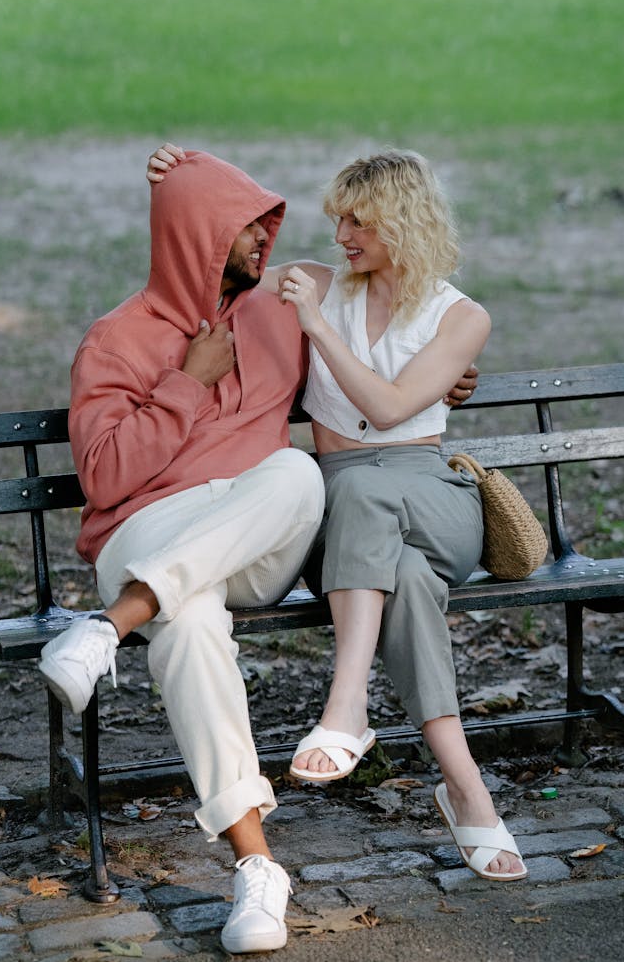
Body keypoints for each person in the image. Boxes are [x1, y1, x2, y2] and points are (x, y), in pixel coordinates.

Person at [38, 146, 484, 955]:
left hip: (253, 536)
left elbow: (379, 337)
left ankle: (107, 627)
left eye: (265, 228)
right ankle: (258, 870)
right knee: (191, 625)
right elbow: (103, 480)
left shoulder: (281, 311)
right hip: (150, 533)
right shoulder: (115, 339)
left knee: (295, 473)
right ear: (199, 238)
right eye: (246, 229)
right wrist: (189, 380)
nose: (263, 244)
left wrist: (447, 377)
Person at [147, 146, 526, 883]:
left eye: (359, 220)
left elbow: (383, 409)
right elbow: (210, 276)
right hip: (349, 521)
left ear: (403, 222)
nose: (341, 235)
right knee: (404, 575)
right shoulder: (316, 283)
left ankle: (347, 703)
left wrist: (319, 329)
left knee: (361, 491)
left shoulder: (461, 317)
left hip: (434, 498)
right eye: (338, 219)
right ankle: (465, 783)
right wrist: (181, 177)